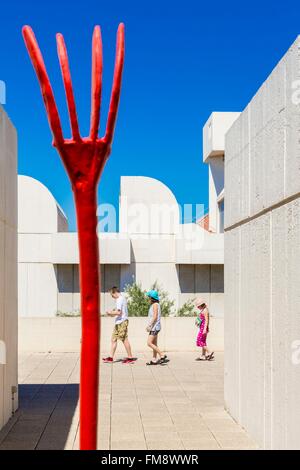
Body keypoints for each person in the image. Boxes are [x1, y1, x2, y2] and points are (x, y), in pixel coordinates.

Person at [102, 287, 135, 364]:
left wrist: (110, 313)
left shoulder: (119, 299)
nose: (112, 297)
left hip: (122, 322)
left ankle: (130, 358)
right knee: (113, 339)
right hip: (118, 322)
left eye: (112, 295)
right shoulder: (121, 299)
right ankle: (110, 357)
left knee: (124, 339)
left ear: (114, 292)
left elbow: (118, 312)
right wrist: (112, 314)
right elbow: (118, 312)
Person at [145, 290, 168, 365]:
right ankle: (154, 359)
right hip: (155, 327)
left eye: (149, 297)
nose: (148, 298)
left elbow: (154, 316)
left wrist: (149, 325)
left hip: (154, 327)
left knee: (149, 343)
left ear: (152, 297)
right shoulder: (156, 304)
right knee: (154, 343)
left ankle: (162, 355)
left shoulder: (155, 305)